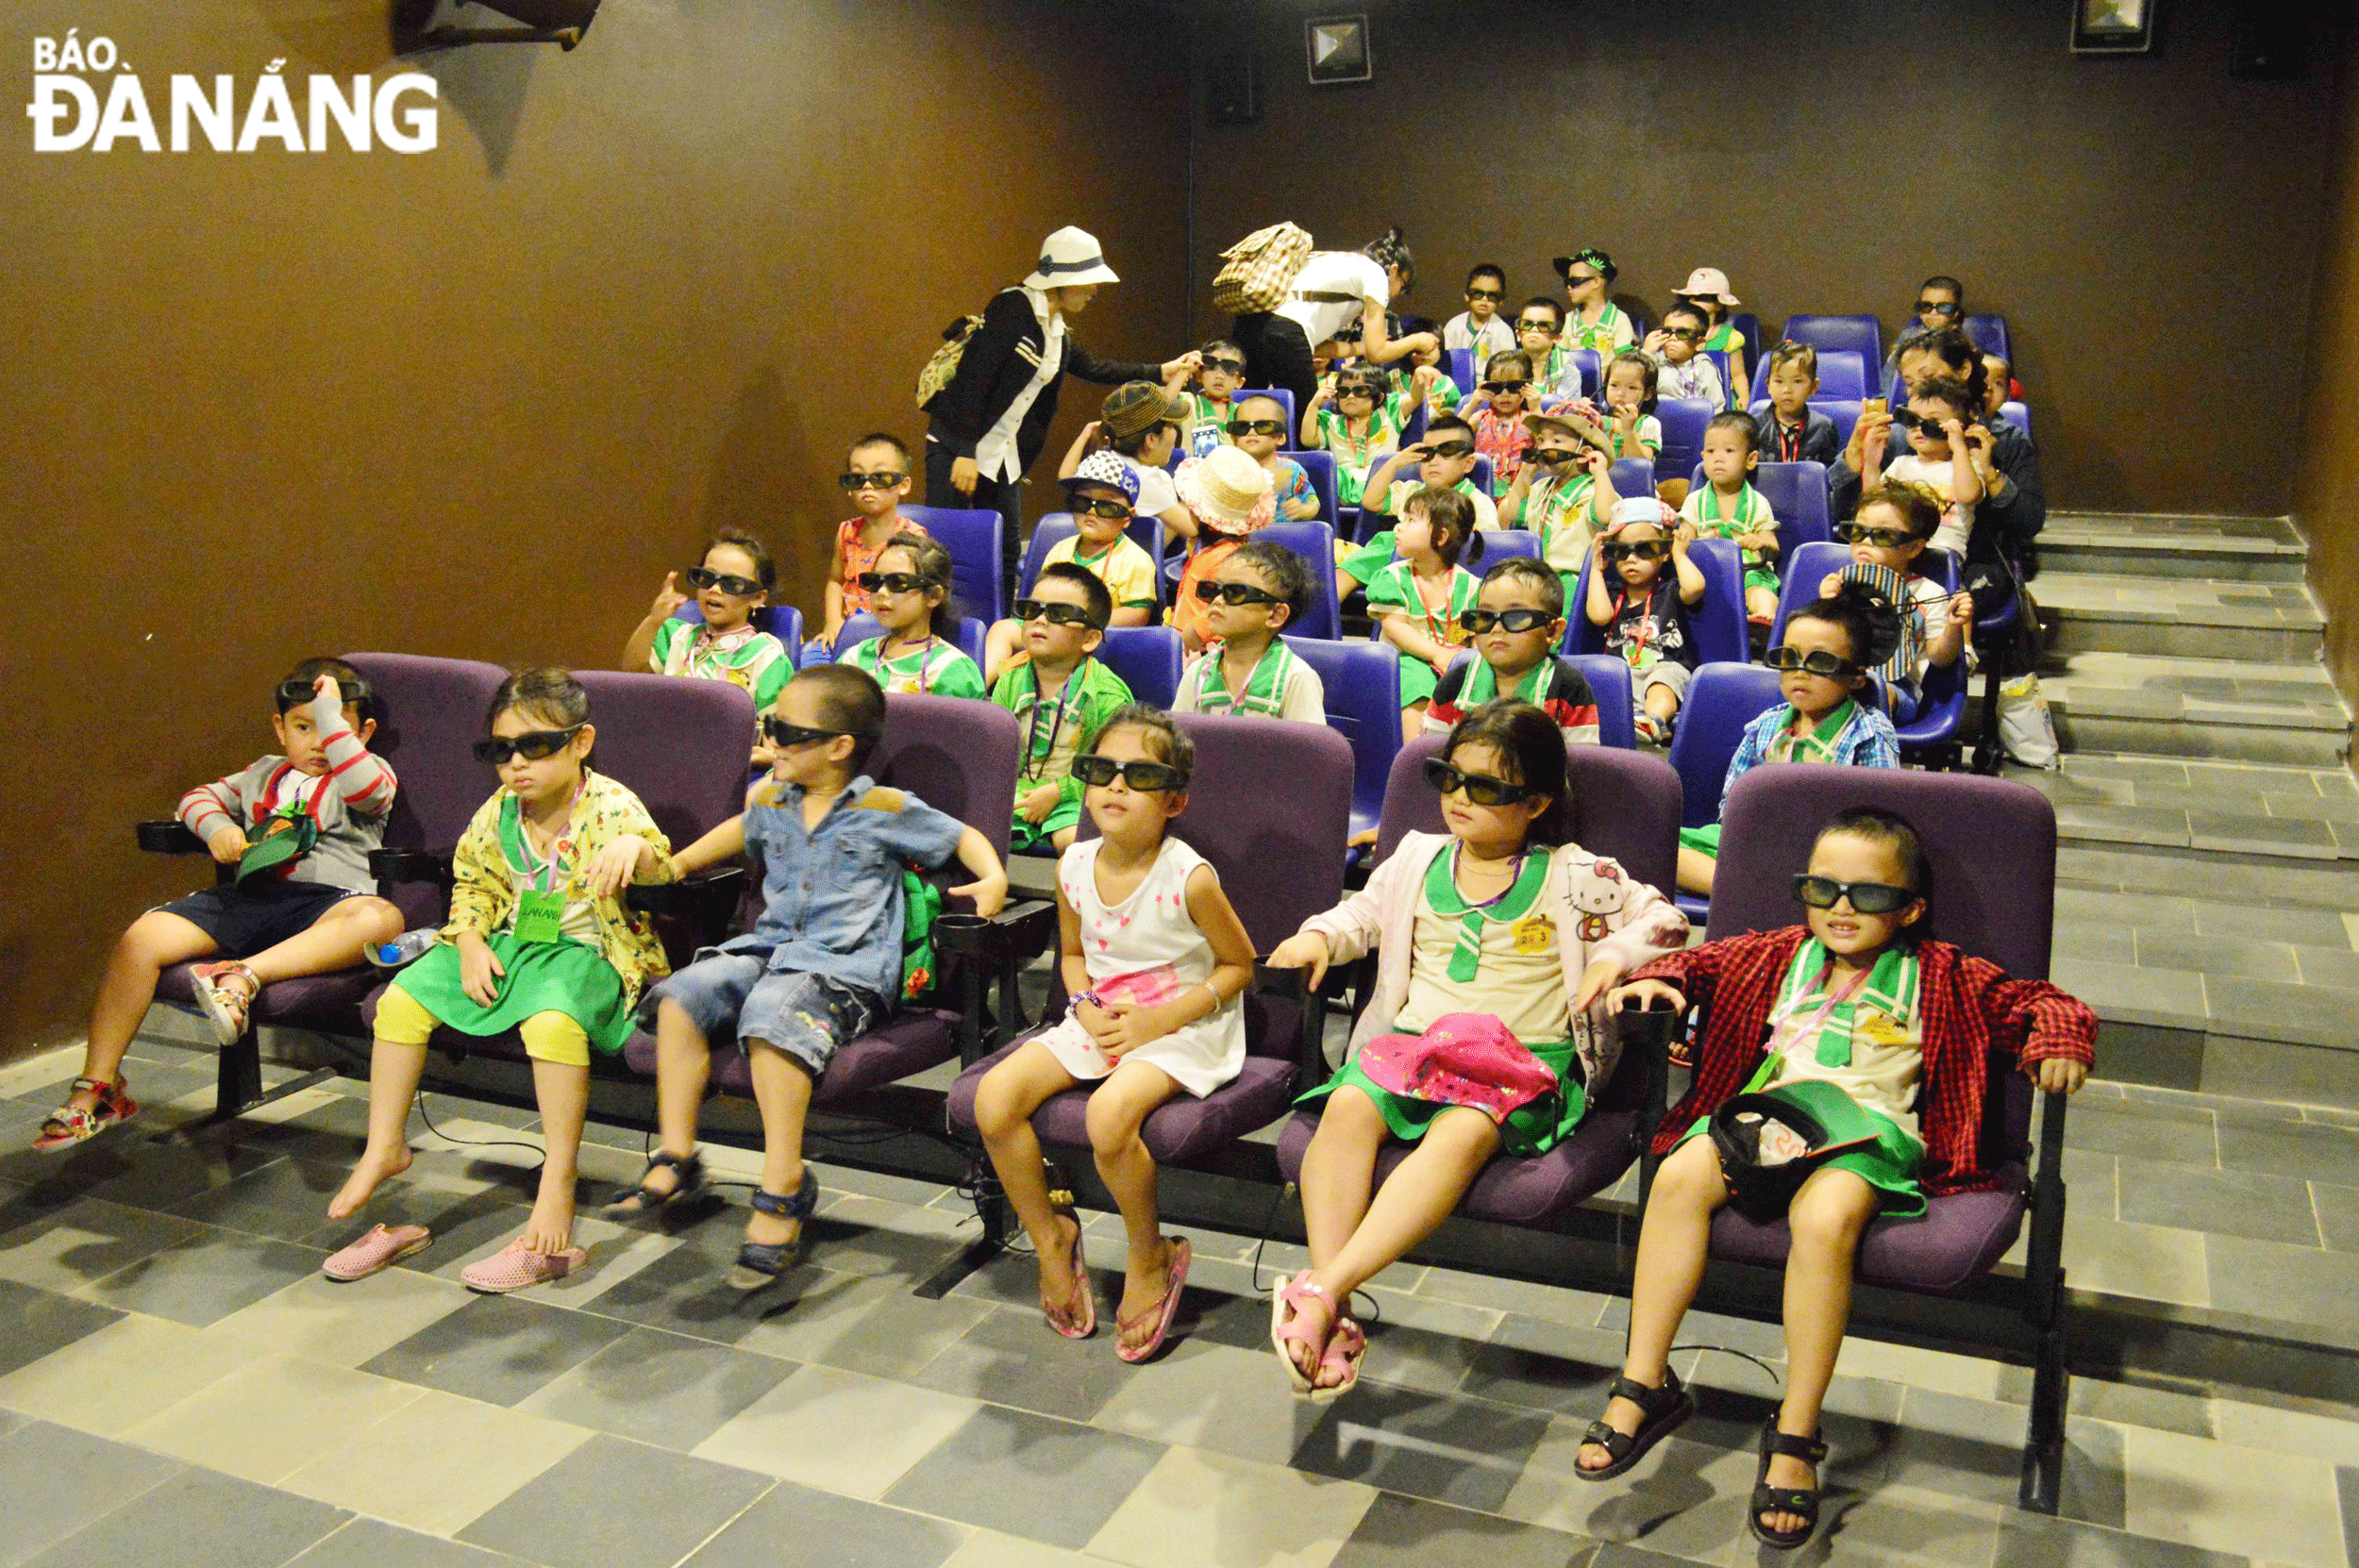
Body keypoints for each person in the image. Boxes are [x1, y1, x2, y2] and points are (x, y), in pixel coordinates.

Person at [1585, 808, 2095, 1549]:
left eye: (1870, 895)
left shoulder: (1942, 973)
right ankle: (1644, 1383)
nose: (1842, 909)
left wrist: (2058, 1041)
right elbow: (1693, 962)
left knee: (1825, 1220)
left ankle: (1796, 1427)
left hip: (1867, 1135)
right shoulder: (1776, 955)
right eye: (1822, 890)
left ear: (1912, 908)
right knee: (1679, 1173)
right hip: (1767, 1121)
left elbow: (2043, 1004)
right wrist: (1660, 981)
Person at [1265, 701, 1687, 1397]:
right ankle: (1326, 1308)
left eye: (1487, 788)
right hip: (1415, 1046)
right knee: (1345, 1108)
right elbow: (1359, 916)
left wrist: (1615, 954)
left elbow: (1665, 920)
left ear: (1537, 802)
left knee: (1463, 1131)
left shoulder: (1579, 874)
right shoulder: (1415, 857)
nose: (1459, 798)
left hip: (1519, 1060)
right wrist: (1318, 936)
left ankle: (1324, 1292)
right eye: (1449, 777)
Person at [611, 665, 1009, 1283]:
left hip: (844, 966)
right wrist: (676, 862)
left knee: (772, 1017)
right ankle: (678, 1152)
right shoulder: (771, 800)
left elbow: (962, 838)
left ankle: (783, 1183)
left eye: (785, 730)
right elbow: (736, 833)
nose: (770, 740)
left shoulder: (884, 808)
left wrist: (995, 877)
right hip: (768, 949)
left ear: (838, 747)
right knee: (682, 996)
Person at [325, 669, 676, 1291]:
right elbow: (475, 883)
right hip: (513, 945)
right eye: (500, 750)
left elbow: (658, 864)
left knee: (551, 1022)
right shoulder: (499, 812)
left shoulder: (611, 804)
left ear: (581, 741)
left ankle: (558, 1178)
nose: (516, 764)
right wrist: (466, 941)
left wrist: (635, 853)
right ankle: (386, 1145)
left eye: (535, 746)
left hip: (588, 953)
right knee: (402, 999)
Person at [973, 708, 1256, 1360]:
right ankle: (1050, 1237)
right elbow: (1074, 956)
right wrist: (1084, 1001)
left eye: (1139, 774)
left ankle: (1147, 1252)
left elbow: (1240, 966)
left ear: (1175, 800)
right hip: (1103, 1014)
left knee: (1108, 1118)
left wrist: (1160, 1020)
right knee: (994, 1101)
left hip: (1185, 1023)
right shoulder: (1073, 863)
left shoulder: (1190, 876)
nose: (1115, 786)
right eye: (1101, 770)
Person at [36, 661, 404, 1149]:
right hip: (252, 897)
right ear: (280, 728)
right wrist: (219, 829)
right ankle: (99, 1088)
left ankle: (241, 976)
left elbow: (366, 789)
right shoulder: (261, 773)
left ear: (364, 732)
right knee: (143, 936)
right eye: (303, 726)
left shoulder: (368, 773)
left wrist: (334, 723)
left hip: (328, 904)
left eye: (335, 727)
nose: (319, 741)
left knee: (383, 918)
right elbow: (195, 800)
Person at [924, 226, 1196, 590]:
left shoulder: (1056, 328)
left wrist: (1160, 371)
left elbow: (1093, 367)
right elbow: (974, 380)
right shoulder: (1013, 307)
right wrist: (965, 452)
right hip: (959, 447)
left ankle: (1001, 627)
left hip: (1003, 456)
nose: (1093, 291)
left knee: (1005, 551)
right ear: (1063, 280)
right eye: (1088, 281)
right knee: (945, 548)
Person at [1675, 587, 1902, 896]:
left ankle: (1754, 890)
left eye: (1820, 661)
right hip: (1754, 844)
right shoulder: (1764, 727)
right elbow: (1733, 804)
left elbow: (1879, 823)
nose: (1800, 672)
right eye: (1789, 657)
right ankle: (1766, 891)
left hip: (1826, 855)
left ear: (1856, 678)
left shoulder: (1869, 735)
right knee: (1657, 848)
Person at [994, 564, 1136, 853]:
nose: (1040, 620)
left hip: (1078, 796)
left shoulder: (1108, 695)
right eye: (1031, 609)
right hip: (1014, 791)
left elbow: (1108, 770)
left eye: (1058, 614)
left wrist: (1058, 792)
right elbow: (995, 751)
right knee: (972, 829)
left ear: (1090, 639)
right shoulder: (1009, 680)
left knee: (1071, 843)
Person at [624, 530, 795, 767]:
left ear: (758, 597)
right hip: (664, 755)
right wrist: (653, 621)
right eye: (706, 578)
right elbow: (631, 671)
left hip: (727, 767)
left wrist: (770, 757)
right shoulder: (676, 636)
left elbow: (779, 744)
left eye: (732, 584)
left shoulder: (767, 658)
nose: (715, 590)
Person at [986, 451, 1157, 680]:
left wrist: (1078, 621)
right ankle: (979, 692)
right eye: (1082, 502)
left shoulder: (1137, 560)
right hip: (1049, 624)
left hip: (1097, 636)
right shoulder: (1060, 549)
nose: (1091, 512)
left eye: (1106, 507)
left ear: (1127, 517)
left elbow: (1138, 614)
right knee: (1001, 629)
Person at [1232, 227, 1436, 410]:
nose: (1398, 294)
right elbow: (1377, 353)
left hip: (1249, 323)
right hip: (1285, 331)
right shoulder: (1376, 274)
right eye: (1403, 286)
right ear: (1393, 270)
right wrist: (1417, 340)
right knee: (1306, 420)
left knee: (1247, 411)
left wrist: (1360, 347)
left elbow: (1314, 347)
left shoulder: (1336, 260)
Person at [1817, 484, 1974, 721]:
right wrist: (1826, 605)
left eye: (1882, 535)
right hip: (1838, 677)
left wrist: (1954, 626)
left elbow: (1940, 658)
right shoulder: (1838, 584)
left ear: (1914, 547)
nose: (1865, 542)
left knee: (1877, 693)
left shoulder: (1928, 592)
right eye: (1858, 531)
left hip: (1897, 688)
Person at [1425, 557, 1602, 742]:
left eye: (1516, 617)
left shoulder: (1570, 690)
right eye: (1485, 616)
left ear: (1553, 630)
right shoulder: (1453, 685)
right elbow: (1434, 758)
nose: (1496, 629)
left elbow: (1580, 767)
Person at [1364, 487, 1484, 742]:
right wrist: (1436, 653)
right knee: (1416, 678)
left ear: (1441, 536)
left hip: (1454, 661)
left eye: (1410, 520)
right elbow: (1395, 627)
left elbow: (1475, 634)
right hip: (1405, 658)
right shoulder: (1392, 577)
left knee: (1480, 676)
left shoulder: (1472, 586)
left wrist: (1471, 656)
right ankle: (1416, 752)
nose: (1399, 527)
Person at [1339, 415, 1500, 596]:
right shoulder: (1411, 491)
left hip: (1446, 577)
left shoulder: (1478, 502)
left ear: (1468, 463)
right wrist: (1394, 463)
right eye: (1428, 453)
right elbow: (1371, 502)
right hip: (1396, 566)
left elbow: (1484, 551)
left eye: (1447, 451)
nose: (1434, 461)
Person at [1585, 501, 1705, 745]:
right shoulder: (1613, 594)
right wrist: (1596, 570)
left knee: (1663, 681)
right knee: (1605, 679)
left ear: (1663, 552)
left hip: (1665, 667)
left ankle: (1655, 721)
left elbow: (1695, 587)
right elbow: (1598, 616)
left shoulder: (1670, 590)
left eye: (1645, 549)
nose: (1631, 558)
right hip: (1623, 673)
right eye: (1621, 551)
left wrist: (1679, 554)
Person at [1173, 540, 1327, 720]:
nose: (1217, 601)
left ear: (1275, 615)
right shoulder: (1197, 673)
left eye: (1235, 592)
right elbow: (1174, 742)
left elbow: (1308, 747)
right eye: (1213, 590)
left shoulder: (1297, 679)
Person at [840, 533, 988, 698]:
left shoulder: (951, 670)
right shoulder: (854, 659)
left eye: (898, 582)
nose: (881, 592)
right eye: (874, 581)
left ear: (933, 596)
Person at [1169, 445, 1278, 655]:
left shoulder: (1229, 557)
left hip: (1206, 652)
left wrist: (1196, 629)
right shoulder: (1212, 549)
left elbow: (1234, 602)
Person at [1058, 382, 1195, 544]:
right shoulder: (1140, 478)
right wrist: (1194, 485)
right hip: (1125, 564)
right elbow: (1191, 528)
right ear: (1151, 440)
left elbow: (1065, 476)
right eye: (1171, 426)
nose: (1175, 433)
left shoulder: (1104, 459)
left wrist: (1084, 435)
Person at [821, 435, 925, 646]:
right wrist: (833, 622)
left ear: (903, 485)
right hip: (847, 634)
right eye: (858, 478)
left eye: (880, 478)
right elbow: (835, 581)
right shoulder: (846, 532)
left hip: (892, 635)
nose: (867, 486)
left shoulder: (913, 537)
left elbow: (918, 597)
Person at [1502, 413, 1619, 598]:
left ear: (1584, 454)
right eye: (1540, 440)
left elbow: (1606, 516)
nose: (1545, 447)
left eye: (1557, 441)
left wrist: (1600, 472)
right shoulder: (1540, 488)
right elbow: (1512, 514)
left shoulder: (1595, 492)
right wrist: (1524, 474)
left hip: (1575, 585)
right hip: (1536, 580)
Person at [1680, 412, 1782, 624]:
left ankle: (1765, 616)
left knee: (1759, 591)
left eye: (1729, 451)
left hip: (1749, 571)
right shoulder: (1694, 501)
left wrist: (1760, 543)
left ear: (1751, 459)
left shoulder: (1757, 503)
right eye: (1710, 451)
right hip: (1706, 572)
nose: (1718, 458)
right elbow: (1684, 542)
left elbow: (1772, 545)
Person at [1299, 362, 1402, 509]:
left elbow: (1415, 399)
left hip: (1381, 481)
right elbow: (1307, 440)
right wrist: (1314, 404)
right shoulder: (1331, 422)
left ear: (1378, 397)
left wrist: (1419, 379)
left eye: (1359, 391)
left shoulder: (1389, 413)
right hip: (1342, 489)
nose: (1350, 396)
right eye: (1343, 391)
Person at [1223, 393, 1319, 522]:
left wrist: (1302, 510)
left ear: (1280, 438)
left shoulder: (1291, 469)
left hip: (1283, 538)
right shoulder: (1226, 471)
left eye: (1263, 426)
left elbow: (1312, 503)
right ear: (1233, 438)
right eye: (1243, 427)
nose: (1252, 432)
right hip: (1241, 538)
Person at [1673, 266, 1748, 409]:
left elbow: (1738, 374)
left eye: (1705, 298)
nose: (1697, 303)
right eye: (1693, 298)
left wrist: (1744, 397)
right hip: (1685, 397)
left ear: (1719, 304)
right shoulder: (1678, 333)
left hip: (1721, 398)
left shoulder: (1730, 337)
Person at [1753, 342, 1840, 468]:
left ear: (1813, 386)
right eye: (1779, 381)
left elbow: (1828, 478)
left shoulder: (1824, 428)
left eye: (1797, 381)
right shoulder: (1755, 427)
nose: (1787, 389)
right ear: (1768, 386)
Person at [1464, 350, 1536, 496]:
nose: (1504, 394)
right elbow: (1450, 435)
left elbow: (1547, 441)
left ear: (1528, 387)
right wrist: (1471, 405)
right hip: (1481, 492)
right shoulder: (1480, 418)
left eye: (1513, 387)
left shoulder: (1532, 419)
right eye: (1496, 387)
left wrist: (1536, 407)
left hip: (1520, 494)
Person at [1881, 275, 1966, 384]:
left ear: (1955, 313)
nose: (1933, 313)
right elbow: (1889, 380)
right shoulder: (1908, 338)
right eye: (1926, 306)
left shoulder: (1963, 344)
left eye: (1943, 308)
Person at [1554, 248, 1637, 359]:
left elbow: (1625, 363)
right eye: (1567, 282)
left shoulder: (1618, 320)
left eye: (1574, 281)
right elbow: (1558, 359)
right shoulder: (1568, 321)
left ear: (1596, 282)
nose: (1569, 287)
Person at [1645, 302, 1727, 409]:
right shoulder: (1653, 363)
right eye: (1667, 331)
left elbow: (1716, 408)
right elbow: (1631, 388)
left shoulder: (1706, 369)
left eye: (1682, 333)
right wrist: (1646, 354)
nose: (1672, 338)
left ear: (1700, 343)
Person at [1183, 339, 1248, 459]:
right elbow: (1162, 402)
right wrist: (1184, 371)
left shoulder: (1244, 412)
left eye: (1228, 371)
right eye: (1212, 368)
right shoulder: (1187, 403)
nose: (1219, 376)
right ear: (1199, 375)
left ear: (1239, 382)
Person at [1598, 350, 1665, 462]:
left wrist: (1628, 430)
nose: (1620, 393)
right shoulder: (1597, 420)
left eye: (1632, 388)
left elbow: (1641, 464)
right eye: (1614, 385)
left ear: (1648, 393)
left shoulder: (1648, 424)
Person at [1444, 262, 1516, 362]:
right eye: (1478, 294)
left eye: (1492, 296)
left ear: (1501, 301)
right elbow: (1444, 359)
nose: (1484, 300)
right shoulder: (1454, 326)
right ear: (1467, 295)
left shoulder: (1504, 332)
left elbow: (1508, 366)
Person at [1512, 298, 1575, 403]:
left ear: (1557, 338)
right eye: (1527, 324)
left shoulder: (1567, 369)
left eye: (1544, 325)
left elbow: (1568, 412)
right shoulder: (1506, 365)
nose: (1534, 329)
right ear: (1518, 335)